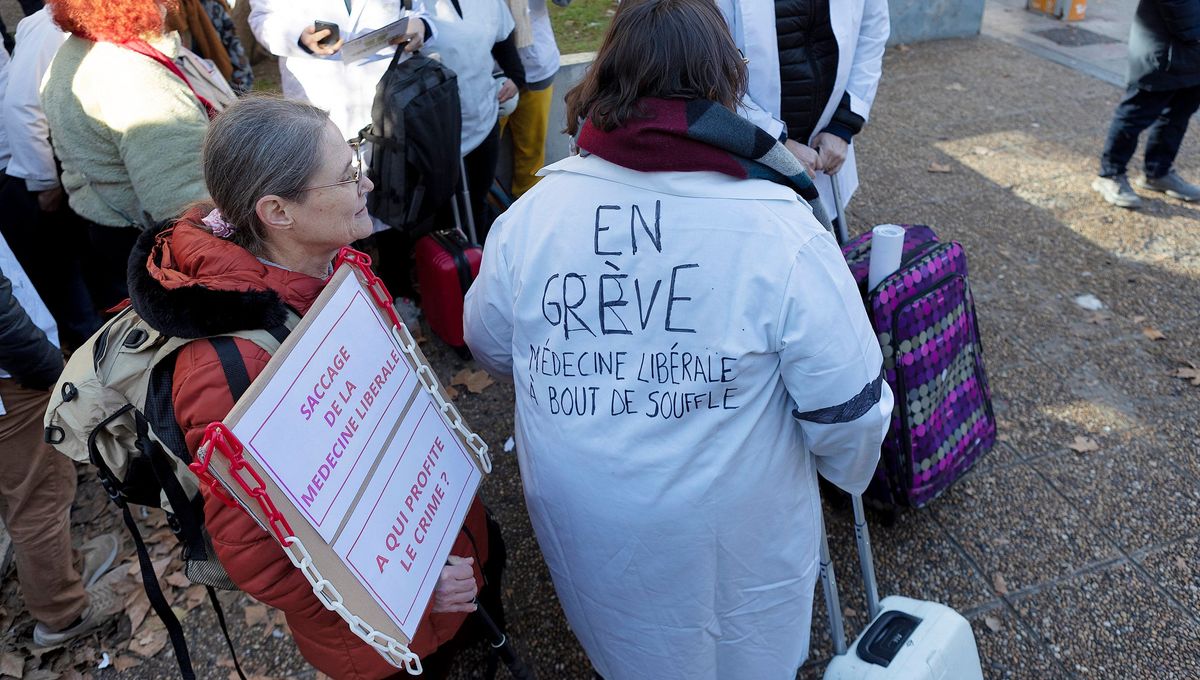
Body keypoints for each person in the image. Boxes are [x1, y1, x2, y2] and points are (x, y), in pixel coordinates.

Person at [463, 0, 891, 677]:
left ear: (608, 75)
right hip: (733, 529)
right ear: (726, 81)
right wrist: (836, 471)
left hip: (585, 511)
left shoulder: (531, 216)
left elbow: (487, 343)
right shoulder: (780, 227)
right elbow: (852, 410)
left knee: (627, 650)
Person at [127, 96, 497, 679]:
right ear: (276, 210)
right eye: (348, 175)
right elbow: (257, 558)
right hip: (392, 636)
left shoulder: (329, 270)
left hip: (444, 552)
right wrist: (413, 587)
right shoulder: (226, 370)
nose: (368, 183)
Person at [41, 0, 212, 310]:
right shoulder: (132, 74)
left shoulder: (78, 51)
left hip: (110, 233)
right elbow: (184, 200)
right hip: (162, 250)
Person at [0, 232, 122, 648]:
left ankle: (58, 571)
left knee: (23, 494)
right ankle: (64, 612)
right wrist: (49, 368)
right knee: (39, 496)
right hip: (10, 380)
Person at [716, 0, 888, 224]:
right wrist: (776, 142)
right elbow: (711, 68)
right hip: (751, 152)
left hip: (825, 153)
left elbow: (872, 32)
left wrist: (843, 124)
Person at [0, 10, 101, 348]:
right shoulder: (50, 27)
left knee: (83, 281)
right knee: (70, 292)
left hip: (44, 169)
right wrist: (44, 182)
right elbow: (21, 110)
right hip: (28, 175)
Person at [248, 0, 434, 140]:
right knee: (331, 176)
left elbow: (420, 10)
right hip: (319, 93)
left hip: (394, 95)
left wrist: (421, 25)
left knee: (396, 179)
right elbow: (262, 19)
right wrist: (298, 37)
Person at [427, 0, 525, 241]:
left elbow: (501, 38)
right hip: (438, 130)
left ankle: (480, 263)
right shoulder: (416, 6)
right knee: (445, 213)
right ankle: (450, 268)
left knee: (478, 199)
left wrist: (515, 75)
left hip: (483, 117)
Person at [1092, 0, 1200, 208]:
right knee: (1135, 114)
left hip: (1193, 55)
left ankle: (1157, 172)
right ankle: (1110, 174)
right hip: (1163, 50)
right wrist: (1195, 33)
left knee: (1178, 115)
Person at [499, 0, 561, 198]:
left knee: (532, 159)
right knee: (478, 161)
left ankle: (527, 211)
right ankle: (485, 216)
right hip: (489, 76)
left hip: (535, 66)